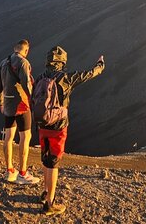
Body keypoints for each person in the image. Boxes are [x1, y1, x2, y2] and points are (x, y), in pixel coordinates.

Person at [35, 45, 105, 216]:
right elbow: (89, 74)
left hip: (42, 124)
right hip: (58, 125)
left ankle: (45, 193)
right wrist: (100, 65)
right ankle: (50, 204)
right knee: (54, 163)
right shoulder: (66, 78)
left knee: (45, 158)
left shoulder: (39, 78)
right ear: (62, 62)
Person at [0, 39, 39, 185]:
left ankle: (9, 171)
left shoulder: (3, 63)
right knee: (25, 137)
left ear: (15, 48)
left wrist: (1, 102)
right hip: (21, 105)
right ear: (26, 50)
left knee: (8, 137)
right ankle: (23, 173)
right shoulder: (23, 63)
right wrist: (34, 101)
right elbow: (27, 84)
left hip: (7, 104)